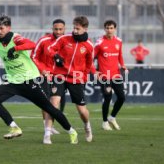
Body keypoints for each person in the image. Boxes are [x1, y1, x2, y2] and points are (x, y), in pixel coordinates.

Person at [0, 15, 78, 144]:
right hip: (13, 82)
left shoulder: (16, 38)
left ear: (8, 28)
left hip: (30, 81)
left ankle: (71, 131)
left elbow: (32, 44)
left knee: (50, 109)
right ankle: (14, 128)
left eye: (2, 28)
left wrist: (15, 48)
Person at [45, 16, 93, 144]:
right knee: (53, 103)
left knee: (82, 110)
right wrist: (55, 55)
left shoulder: (88, 46)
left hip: (76, 79)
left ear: (85, 29)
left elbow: (89, 65)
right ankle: (47, 135)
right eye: (74, 28)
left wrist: (84, 77)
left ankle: (87, 126)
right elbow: (49, 49)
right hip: (59, 75)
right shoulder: (64, 39)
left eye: (78, 28)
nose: (75, 31)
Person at [31, 19, 66, 142]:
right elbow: (33, 56)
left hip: (59, 76)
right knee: (46, 102)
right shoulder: (43, 40)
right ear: (52, 29)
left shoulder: (67, 42)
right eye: (56, 29)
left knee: (57, 103)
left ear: (64, 29)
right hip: (43, 75)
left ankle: (50, 125)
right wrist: (42, 70)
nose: (58, 31)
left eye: (60, 29)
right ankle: (47, 128)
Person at [91, 20, 128, 131]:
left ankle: (112, 117)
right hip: (104, 76)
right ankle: (104, 122)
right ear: (104, 29)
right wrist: (95, 71)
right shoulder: (99, 42)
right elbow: (91, 58)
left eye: (111, 28)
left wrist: (123, 65)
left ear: (115, 29)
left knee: (121, 97)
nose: (109, 30)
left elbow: (120, 55)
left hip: (116, 75)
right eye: (107, 28)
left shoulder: (119, 41)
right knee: (107, 98)